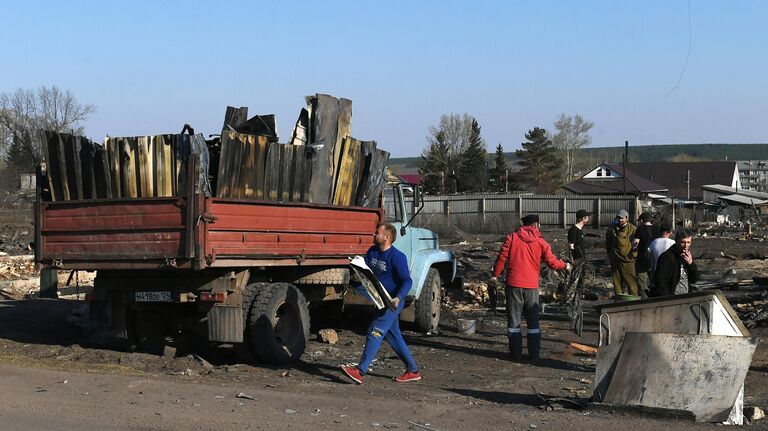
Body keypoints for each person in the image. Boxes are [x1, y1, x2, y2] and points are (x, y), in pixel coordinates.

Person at [341, 223, 421, 384]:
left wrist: (398, 297)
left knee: (374, 331)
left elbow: (407, 280)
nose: (373, 235)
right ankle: (412, 370)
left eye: (377, 233)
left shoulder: (397, 257)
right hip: (380, 299)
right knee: (394, 336)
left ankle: (360, 371)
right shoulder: (372, 252)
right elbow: (366, 269)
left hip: (392, 302)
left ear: (386, 237)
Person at [491, 214, 570, 361]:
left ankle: (516, 354)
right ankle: (534, 354)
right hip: (531, 286)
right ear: (536, 225)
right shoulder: (541, 242)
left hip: (513, 285)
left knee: (514, 320)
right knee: (533, 321)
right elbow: (552, 262)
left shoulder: (512, 238)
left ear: (523, 224)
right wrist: (566, 265)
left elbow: (501, 258)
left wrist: (495, 275)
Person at [651, 228, 699, 297]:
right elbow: (660, 283)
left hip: (686, 297)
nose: (686, 246)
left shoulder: (687, 256)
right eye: (683, 242)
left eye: (688, 242)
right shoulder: (667, 257)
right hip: (673, 299)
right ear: (676, 241)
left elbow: (693, 280)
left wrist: (691, 264)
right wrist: (668, 300)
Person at [605, 209, 639, 297]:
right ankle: (619, 303)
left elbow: (639, 243)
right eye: (618, 218)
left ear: (626, 218)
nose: (620, 220)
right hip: (615, 261)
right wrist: (609, 255)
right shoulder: (612, 229)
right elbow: (608, 242)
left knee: (632, 285)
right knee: (617, 286)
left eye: (621, 218)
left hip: (628, 261)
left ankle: (634, 303)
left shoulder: (633, 229)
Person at [634, 212, 659, 298]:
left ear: (641, 220)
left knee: (642, 283)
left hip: (642, 259)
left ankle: (644, 301)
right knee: (655, 282)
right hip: (655, 259)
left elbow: (635, 243)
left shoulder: (640, 229)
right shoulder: (657, 229)